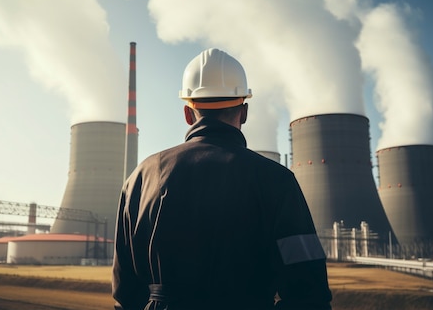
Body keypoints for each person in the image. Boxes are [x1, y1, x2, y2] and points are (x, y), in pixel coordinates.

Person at [112, 48, 332, 310]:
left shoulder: (140, 178)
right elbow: (309, 292)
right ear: (244, 112)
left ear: (187, 113)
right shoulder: (277, 181)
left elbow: (126, 291)